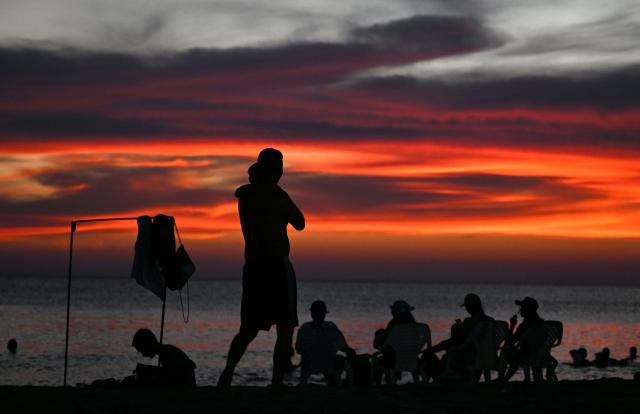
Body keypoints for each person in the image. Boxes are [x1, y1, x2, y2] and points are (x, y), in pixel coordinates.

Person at [217, 148, 305, 389]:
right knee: (285, 327)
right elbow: (300, 223)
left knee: (248, 328)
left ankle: (227, 374)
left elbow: (244, 191)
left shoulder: (246, 195)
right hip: (276, 265)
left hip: (253, 266)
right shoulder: (277, 196)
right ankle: (276, 382)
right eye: (280, 166)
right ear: (276, 170)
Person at [422, 293, 493, 381]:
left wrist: (458, 329)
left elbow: (458, 341)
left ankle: (432, 378)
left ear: (469, 308)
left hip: (466, 359)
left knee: (429, 355)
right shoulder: (491, 321)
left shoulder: (469, 321)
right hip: (485, 359)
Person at [295, 300, 355, 385]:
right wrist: (350, 352)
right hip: (329, 362)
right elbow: (343, 347)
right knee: (339, 360)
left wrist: (309, 352)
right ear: (324, 314)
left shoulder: (304, 328)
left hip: (310, 363)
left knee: (306, 364)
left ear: (312, 313)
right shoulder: (331, 327)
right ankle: (337, 382)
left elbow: (298, 349)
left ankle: (303, 383)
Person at [500, 297, 546, 381]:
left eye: (522, 307)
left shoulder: (524, 326)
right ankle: (504, 379)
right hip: (543, 355)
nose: (520, 310)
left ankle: (503, 379)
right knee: (518, 354)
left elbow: (510, 342)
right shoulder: (542, 323)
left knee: (505, 351)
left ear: (528, 310)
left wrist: (512, 326)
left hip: (526, 355)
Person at [131, 328, 196, 388]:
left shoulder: (167, 354)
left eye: (141, 350)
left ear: (147, 345)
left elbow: (171, 378)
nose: (143, 355)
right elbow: (167, 372)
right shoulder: (166, 351)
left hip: (185, 389)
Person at [372, 300, 418, 384]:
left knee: (378, 360)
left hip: (393, 360)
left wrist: (378, 338)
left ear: (395, 312)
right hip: (413, 359)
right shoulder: (415, 327)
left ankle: (378, 383)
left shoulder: (394, 324)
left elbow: (384, 342)